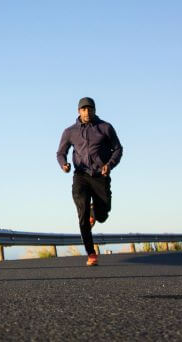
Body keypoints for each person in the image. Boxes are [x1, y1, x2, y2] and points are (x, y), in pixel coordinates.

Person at [56, 97, 123, 266]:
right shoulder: (70, 131)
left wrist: (109, 165)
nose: (87, 112)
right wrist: (63, 164)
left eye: (90, 109)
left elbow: (118, 149)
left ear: (94, 110)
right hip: (81, 176)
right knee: (82, 212)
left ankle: (96, 213)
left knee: (103, 214)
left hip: (100, 175)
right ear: (79, 111)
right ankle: (91, 253)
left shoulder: (105, 127)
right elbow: (60, 152)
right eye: (83, 109)